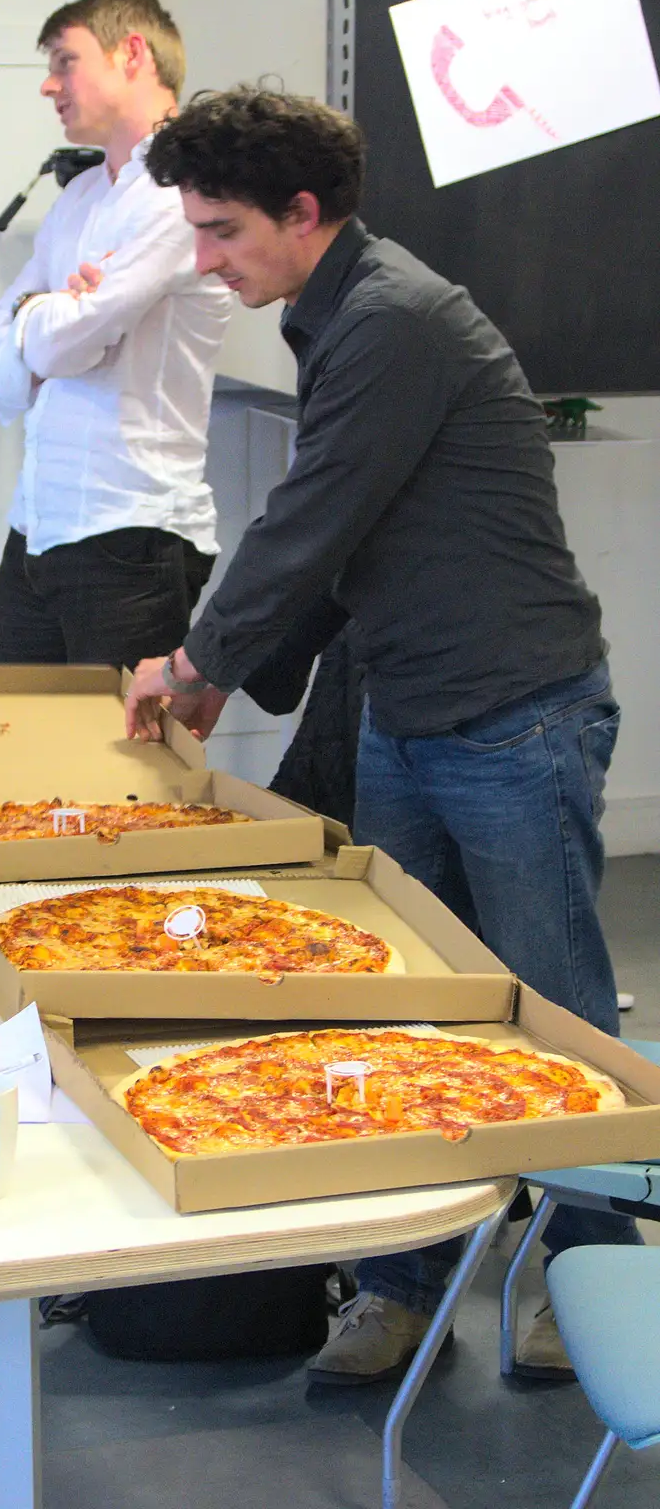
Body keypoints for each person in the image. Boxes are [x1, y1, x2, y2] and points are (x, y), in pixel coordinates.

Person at [124, 86, 640, 1383]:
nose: (207, 259)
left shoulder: (393, 318)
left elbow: (309, 516)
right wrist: (226, 676)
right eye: (194, 232)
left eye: (224, 231)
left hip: (515, 714)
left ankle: (587, 1286)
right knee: (401, 1014)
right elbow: (341, 546)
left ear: (306, 214)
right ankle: (403, 1285)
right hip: (411, 711)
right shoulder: (338, 310)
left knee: (553, 1007)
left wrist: (198, 658)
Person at [0, 0, 231, 671]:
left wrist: (44, 323)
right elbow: (4, 369)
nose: (48, 84)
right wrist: (49, 314)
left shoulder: (183, 191)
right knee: (5, 760)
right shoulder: (81, 199)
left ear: (131, 54)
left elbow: (66, 340)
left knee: (122, 776)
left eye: (65, 61)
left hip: (130, 531)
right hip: (37, 525)